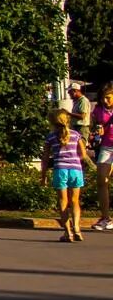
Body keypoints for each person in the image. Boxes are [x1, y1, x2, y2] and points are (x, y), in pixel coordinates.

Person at [49, 110, 86, 242]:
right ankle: (77, 228)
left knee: (63, 202)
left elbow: (45, 158)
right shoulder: (76, 135)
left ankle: (67, 232)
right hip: (76, 170)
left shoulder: (51, 137)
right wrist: (76, 160)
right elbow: (83, 153)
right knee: (75, 201)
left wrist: (43, 176)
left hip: (60, 170)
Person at [90, 88, 112, 233]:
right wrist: (96, 132)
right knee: (101, 180)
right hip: (106, 146)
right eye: (104, 98)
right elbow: (93, 128)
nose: (105, 101)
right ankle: (106, 218)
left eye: (109, 98)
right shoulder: (98, 110)